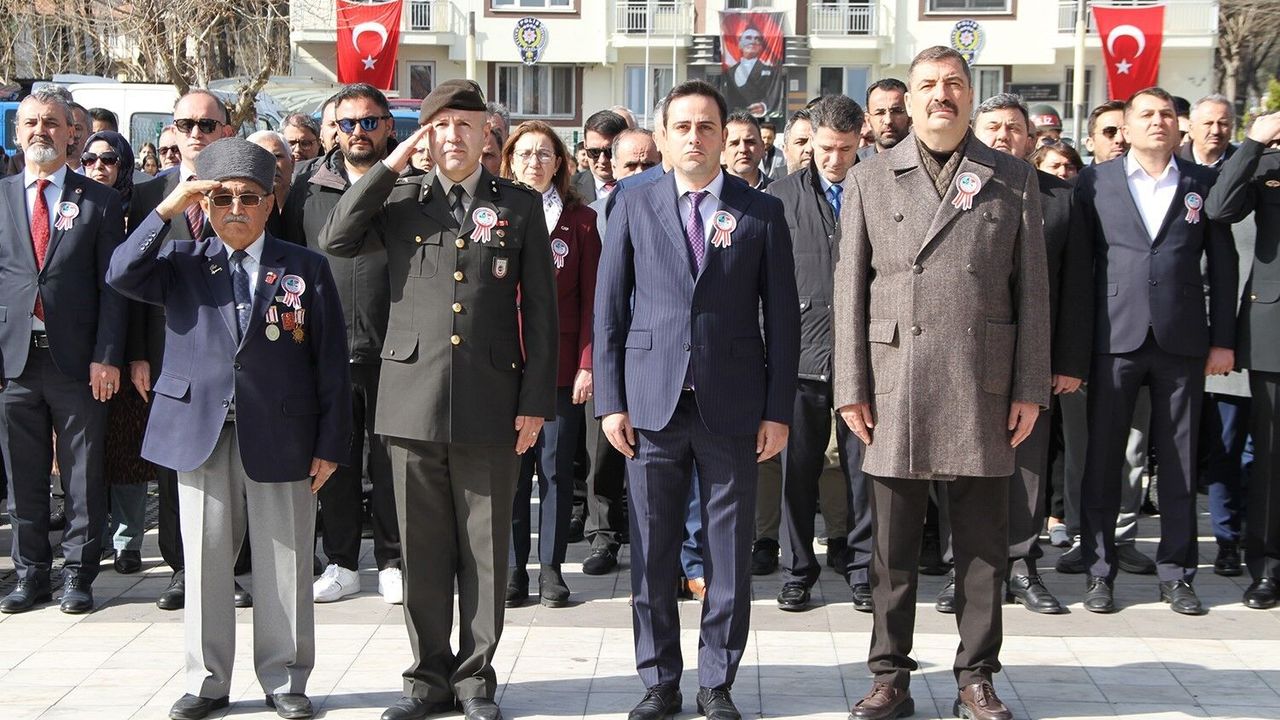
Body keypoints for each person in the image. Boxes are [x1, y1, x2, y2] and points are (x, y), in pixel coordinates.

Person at [320, 79, 558, 720]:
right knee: (421, 552)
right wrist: (391, 164)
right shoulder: (399, 199)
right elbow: (336, 238)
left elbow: (541, 310)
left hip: (491, 398)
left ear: (486, 134)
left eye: (465, 124)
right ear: (425, 135)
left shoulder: (517, 205)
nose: (454, 136)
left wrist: (535, 400)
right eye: (441, 125)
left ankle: (476, 680)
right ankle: (427, 678)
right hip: (411, 398)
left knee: (485, 549)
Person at [835, 46, 1050, 720]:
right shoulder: (869, 176)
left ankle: (976, 677)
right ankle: (889, 677)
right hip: (894, 378)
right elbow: (851, 287)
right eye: (928, 84)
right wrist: (851, 385)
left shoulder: (1011, 176)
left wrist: (1030, 386)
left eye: (953, 83)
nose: (940, 95)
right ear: (910, 97)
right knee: (891, 552)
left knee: (982, 550)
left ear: (970, 96)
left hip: (982, 380)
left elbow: (1033, 290)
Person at [108, 137, 350, 720]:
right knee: (205, 561)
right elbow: (120, 271)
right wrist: (170, 207)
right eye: (221, 198)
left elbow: (330, 364)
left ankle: (286, 678)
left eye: (248, 197)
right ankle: (206, 680)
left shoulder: (305, 267)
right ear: (204, 203)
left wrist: (330, 444)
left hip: (285, 433)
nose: (235, 208)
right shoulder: (183, 262)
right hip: (202, 431)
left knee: (286, 560)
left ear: (270, 202)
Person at [594, 79, 799, 720]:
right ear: (662, 136)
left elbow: (783, 320)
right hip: (650, 404)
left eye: (706, 126)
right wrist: (610, 400)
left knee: (729, 554)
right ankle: (659, 681)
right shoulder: (631, 200)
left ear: (724, 135)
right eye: (681, 126)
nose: (694, 137)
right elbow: (609, 308)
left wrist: (777, 410)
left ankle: (717, 681)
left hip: (731, 405)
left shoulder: (760, 211)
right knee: (652, 552)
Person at [1075, 86, 1237, 617]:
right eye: (1146, 114)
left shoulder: (1201, 183)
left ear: (1179, 125)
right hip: (1112, 339)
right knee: (1103, 461)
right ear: (1126, 127)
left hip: (1182, 340)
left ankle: (1177, 574)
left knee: (1180, 463)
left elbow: (1224, 265)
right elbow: (1079, 268)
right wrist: (1074, 348)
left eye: (1167, 114)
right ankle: (1100, 571)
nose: (1158, 121)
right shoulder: (1094, 182)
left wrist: (1223, 339)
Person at [0, 87, 128, 615]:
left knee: (81, 476)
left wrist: (108, 355)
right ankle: (31, 573)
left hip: (76, 362)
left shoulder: (98, 201)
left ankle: (78, 573)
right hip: (14, 362)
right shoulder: (1, 196)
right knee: (23, 476)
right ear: (17, 132)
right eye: (31, 122)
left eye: (51, 122)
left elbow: (112, 288)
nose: (41, 131)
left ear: (71, 132)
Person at [969, 93, 1091, 616]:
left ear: (1031, 138)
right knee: (963, 461)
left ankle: (1022, 564)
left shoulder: (1060, 198)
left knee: (1028, 463)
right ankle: (964, 569)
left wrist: (1069, 361)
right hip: (968, 351)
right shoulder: (958, 187)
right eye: (993, 126)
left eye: (1013, 127)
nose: (1003, 136)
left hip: (1033, 353)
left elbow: (1077, 283)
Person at [283, 82, 403, 605]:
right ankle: (342, 563)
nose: (358, 132)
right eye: (347, 123)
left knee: (392, 463)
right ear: (334, 129)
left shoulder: (410, 183)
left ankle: (394, 561)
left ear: (388, 126)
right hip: (326, 349)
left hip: (396, 349)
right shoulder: (308, 185)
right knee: (334, 460)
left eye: (369, 121)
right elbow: (288, 261)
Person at [131, 88, 246, 611]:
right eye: (185, 124)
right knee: (177, 463)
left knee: (238, 470)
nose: (196, 134)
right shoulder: (148, 194)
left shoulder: (249, 188)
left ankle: (234, 568)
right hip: (168, 354)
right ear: (172, 131)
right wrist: (135, 352)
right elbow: (126, 279)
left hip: (239, 355)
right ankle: (182, 568)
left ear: (227, 130)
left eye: (207, 124)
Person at [766, 93, 872, 613]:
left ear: (860, 141)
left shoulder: (877, 188)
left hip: (864, 357)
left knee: (864, 472)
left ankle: (863, 569)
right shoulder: (780, 197)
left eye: (845, 149)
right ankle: (796, 571)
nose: (833, 159)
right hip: (799, 354)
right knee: (797, 472)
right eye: (824, 148)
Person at [500, 120, 601, 608]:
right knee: (512, 474)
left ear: (559, 163)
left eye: (544, 154)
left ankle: (552, 570)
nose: (533, 163)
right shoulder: (494, 215)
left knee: (556, 471)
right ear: (509, 161)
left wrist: (587, 363)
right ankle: (513, 569)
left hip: (560, 369)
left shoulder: (581, 222)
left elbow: (593, 301)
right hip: (503, 367)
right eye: (524, 154)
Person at [578, 127, 661, 579]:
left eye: (649, 163)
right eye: (632, 164)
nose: (640, 172)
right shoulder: (595, 216)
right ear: (612, 165)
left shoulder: (671, 207)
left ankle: (649, 539)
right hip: (609, 346)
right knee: (603, 450)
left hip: (657, 350)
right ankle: (603, 536)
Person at [1205, 110, 1280, 609]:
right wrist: (1254, 141)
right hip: (1275, 328)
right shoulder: (1267, 164)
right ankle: (1268, 567)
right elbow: (1219, 207)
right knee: (1270, 458)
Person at [81, 129, 155, 576]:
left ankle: (128, 541)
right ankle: (96, 536)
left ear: (124, 165)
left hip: (128, 345)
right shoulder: (74, 205)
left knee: (128, 450)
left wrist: (137, 353)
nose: (98, 167)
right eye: (90, 160)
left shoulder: (138, 211)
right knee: (90, 450)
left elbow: (140, 290)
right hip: (81, 345)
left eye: (109, 159)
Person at [573, 110, 629, 202]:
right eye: (594, 152)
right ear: (585, 146)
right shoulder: (568, 189)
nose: (602, 160)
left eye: (610, 152)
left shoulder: (643, 186)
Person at [723, 25, 778, 116]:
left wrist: (764, 106)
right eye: (748, 38)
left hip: (757, 118)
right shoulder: (729, 72)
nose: (753, 41)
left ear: (760, 46)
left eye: (757, 39)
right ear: (740, 44)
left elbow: (773, 94)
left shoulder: (770, 71)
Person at [247, 131, 293, 237]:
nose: (271, 164)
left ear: (292, 163)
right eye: (261, 157)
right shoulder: (241, 208)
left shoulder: (307, 204)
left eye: (277, 156)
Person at [859, 78, 910, 161]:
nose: (888, 120)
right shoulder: (854, 162)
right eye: (880, 113)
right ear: (868, 121)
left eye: (896, 111)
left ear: (910, 115)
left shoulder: (927, 159)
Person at [1180, 94, 1235, 169]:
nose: (1215, 131)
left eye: (1222, 124)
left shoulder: (1243, 163)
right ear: (1191, 128)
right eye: (1208, 123)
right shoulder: (1173, 160)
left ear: (1231, 128)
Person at [721, 111, 770, 190]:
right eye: (734, 143)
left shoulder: (779, 192)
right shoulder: (710, 193)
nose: (743, 149)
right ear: (722, 150)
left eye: (750, 142)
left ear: (762, 147)